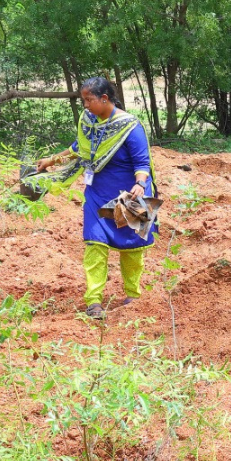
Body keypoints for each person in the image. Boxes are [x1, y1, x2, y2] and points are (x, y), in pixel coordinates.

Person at [35, 77, 156, 319]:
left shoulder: (130, 127)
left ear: (104, 98)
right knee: (95, 244)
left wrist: (140, 184)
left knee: (132, 248)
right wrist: (52, 160)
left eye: (89, 100)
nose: (86, 105)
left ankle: (133, 295)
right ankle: (94, 301)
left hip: (130, 194)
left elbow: (142, 162)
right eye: (84, 100)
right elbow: (78, 148)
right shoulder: (88, 121)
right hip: (97, 192)